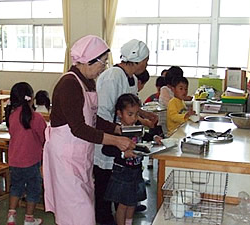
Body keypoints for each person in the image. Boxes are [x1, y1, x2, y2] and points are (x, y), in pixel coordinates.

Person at [42, 35, 135, 225]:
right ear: (89, 60)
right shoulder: (69, 84)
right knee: (79, 213)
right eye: (103, 63)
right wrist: (115, 140)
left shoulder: (87, 81)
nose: (104, 68)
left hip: (80, 155)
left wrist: (115, 129)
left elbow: (92, 118)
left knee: (81, 210)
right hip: (66, 157)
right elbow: (79, 128)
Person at [94, 39, 157, 225]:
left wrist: (144, 114)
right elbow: (102, 112)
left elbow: (131, 104)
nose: (146, 64)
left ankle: (127, 202)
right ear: (136, 60)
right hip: (110, 136)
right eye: (146, 60)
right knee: (105, 183)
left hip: (123, 135)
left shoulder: (132, 78)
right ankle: (104, 218)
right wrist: (116, 132)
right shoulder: (112, 76)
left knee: (122, 179)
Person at [102, 93, 162, 225]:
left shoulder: (135, 127)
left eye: (136, 114)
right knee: (123, 205)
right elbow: (106, 150)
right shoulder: (117, 131)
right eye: (130, 114)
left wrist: (154, 138)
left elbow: (144, 135)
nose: (134, 118)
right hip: (122, 172)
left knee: (132, 203)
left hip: (136, 170)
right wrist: (123, 154)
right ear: (119, 114)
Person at [5, 82, 47, 225]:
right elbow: (44, 139)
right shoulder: (36, 117)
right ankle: (29, 218)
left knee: (16, 187)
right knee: (33, 189)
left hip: (14, 160)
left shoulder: (11, 116)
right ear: (31, 97)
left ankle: (11, 216)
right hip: (31, 161)